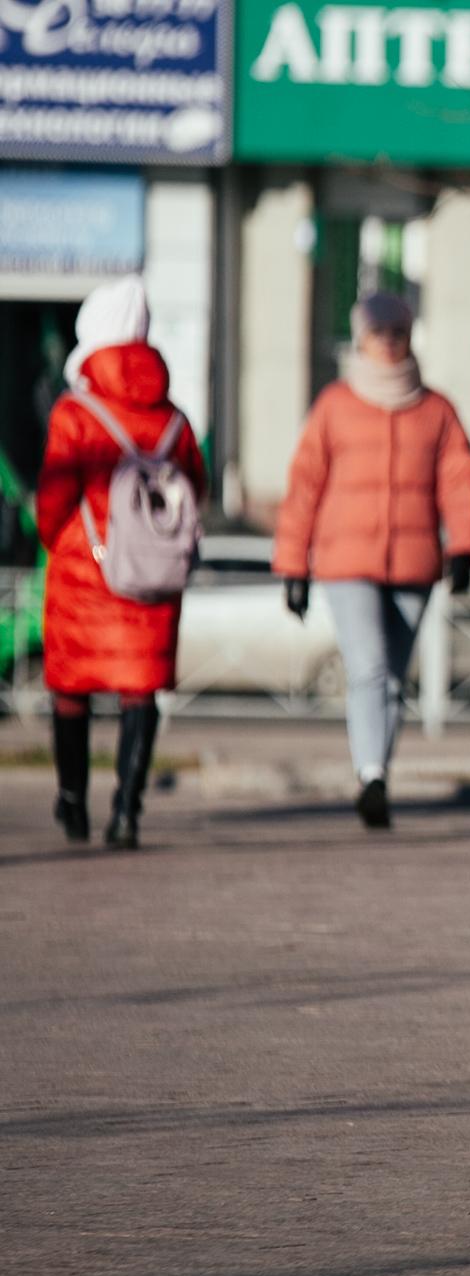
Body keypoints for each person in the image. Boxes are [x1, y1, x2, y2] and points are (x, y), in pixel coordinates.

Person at [272, 292, 470, 829]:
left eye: (396, 330)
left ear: (410, 335)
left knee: (391, 677)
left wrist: (463, 547)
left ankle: (378, 773)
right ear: (360, 337)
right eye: (377, 330)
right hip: (348, 565)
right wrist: (293, 565)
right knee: (368, 669)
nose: (387, 340)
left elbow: (461, 481)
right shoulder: (335, 406)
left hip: (414, 565)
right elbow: (304, 486)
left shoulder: (436, 410)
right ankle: (371, 776)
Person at [38, 276, 207, 850]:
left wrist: (54, 541)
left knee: (71, 689)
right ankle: (127, 810)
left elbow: (54, 495)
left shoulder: (74, 412)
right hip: (152, 574)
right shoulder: (175, 419)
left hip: (83, 570)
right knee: (141, 689)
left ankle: (71, 801)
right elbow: (196, 487)